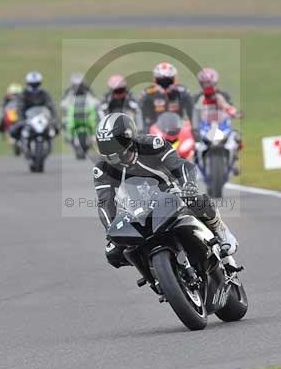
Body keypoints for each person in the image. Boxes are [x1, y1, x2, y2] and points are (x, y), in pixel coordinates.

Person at [93, 112, 238, 268]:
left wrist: (188, 185)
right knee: (114, 252)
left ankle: (220, 230)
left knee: (195, 200)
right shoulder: (102, 169)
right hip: (136, 208)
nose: (110, 152)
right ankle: (153, 275)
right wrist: (110, 229)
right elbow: (104, 201)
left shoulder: (152, 144)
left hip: (170, 194)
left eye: (113, 144)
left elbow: (182, 166)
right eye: (105, 145)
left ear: (128, 137)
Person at [138, 62, 194, 130]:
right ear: (155, 80)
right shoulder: (147, 93)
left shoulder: (183, 92)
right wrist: (142, 130)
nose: (165, 83)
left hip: (179, 128)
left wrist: (194, 128)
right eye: (161, 81)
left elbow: (192, 111)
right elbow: (140, 113)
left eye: (168, 80)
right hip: (154, 130)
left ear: (174, 79)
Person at [9, 71, 58, 141]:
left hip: (41, 118)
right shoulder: (24, 94)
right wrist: (22, 119)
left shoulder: (44, 94)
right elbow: (20, 107)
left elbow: (51, 106)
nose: (34, 86)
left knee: (55, 128)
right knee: (14, 131)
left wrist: (53, 118)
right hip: (28, 119)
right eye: (32, 84)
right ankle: (19, 142)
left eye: (36, 84)